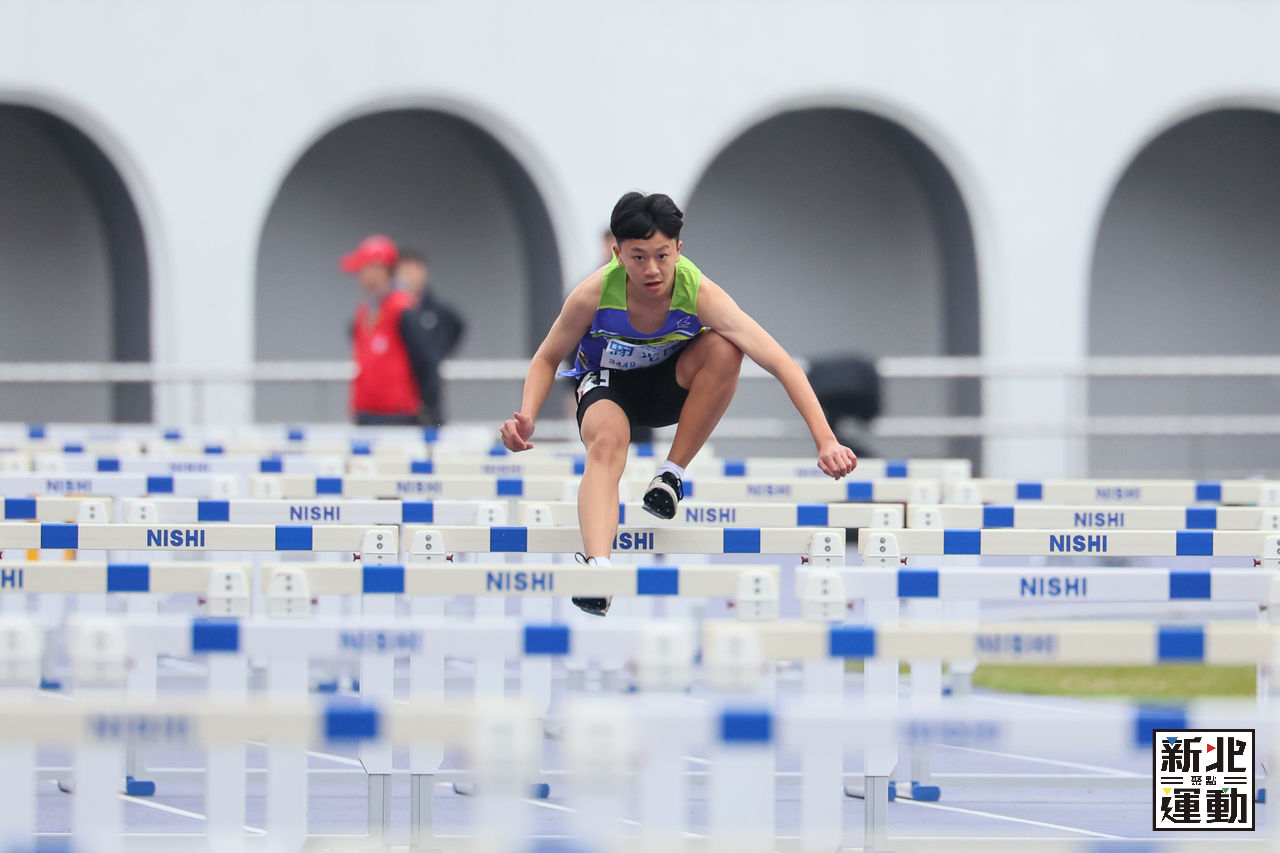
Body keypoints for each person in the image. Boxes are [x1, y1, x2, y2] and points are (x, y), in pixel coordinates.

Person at [499, 192, 858, 616]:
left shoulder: (700, 292)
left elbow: (780, 362)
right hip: (607, 386)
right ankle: (598, 570)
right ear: (617, 254)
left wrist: (825, 440)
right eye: (638, 258)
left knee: (726, 348)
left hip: (669, 389)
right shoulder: (592, 294)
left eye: (662, 256)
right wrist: (528, 415)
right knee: (607, 444)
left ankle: (671, 473)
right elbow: (546, 357)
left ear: (678, 250)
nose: (652, 270)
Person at [340, 234, 436, 426]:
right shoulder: (364, 312)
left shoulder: (402, 310)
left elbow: (425, 361)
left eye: (363, 269)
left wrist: (430, 410)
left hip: (397, 416)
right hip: (366, 413)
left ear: (380, 270)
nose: (359, 276)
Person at [395, 248, 467, 427]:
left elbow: (457, 326)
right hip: (398, 395)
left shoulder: (437, 309)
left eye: (414, 270)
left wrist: (438, 354)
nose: (409, 277)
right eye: (404, 271)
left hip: (428, 393)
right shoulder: (391, 310)